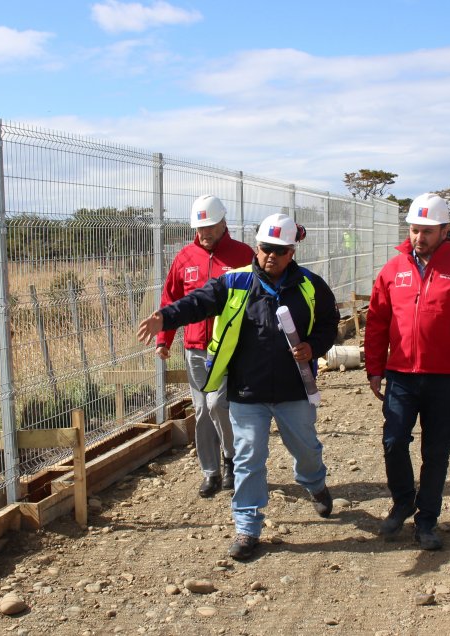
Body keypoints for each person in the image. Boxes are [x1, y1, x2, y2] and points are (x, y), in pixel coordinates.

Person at [137, 213, 339, 561]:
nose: (270, 256)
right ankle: (247, 528)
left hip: (294, 390)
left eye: (280, 251)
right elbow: (197, 301)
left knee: (305, 448)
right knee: (248, 458)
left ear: (292, 252)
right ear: (256, 248)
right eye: (265, 249)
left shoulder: (309, 284)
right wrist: (165, 318)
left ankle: (314, 482)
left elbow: (328, 322)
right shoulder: (235, 282)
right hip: (248, 392)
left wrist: (313, 347)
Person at [365, 193, 450, 551]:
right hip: (401, 375)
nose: (420, 237)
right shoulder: (393, 270)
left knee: (436, 452)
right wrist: (375, 367)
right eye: (415, 230)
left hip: (446, 379)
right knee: (393, 441)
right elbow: (376, 322)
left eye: (428, 231)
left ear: (445, 230)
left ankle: (427, 520)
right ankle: (403, 500)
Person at [157, 195, 254, 498]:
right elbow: (171, 300)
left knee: (218, 405)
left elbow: (257, 300)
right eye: (200, 228)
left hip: (230, 347)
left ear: (224, 222)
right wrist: (164, 339)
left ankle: (231, 459)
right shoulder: (184, 257)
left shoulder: (243, 255)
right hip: (196, 347)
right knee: (201, 411)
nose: (205, 233)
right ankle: (211, 472)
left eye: (210, 226)